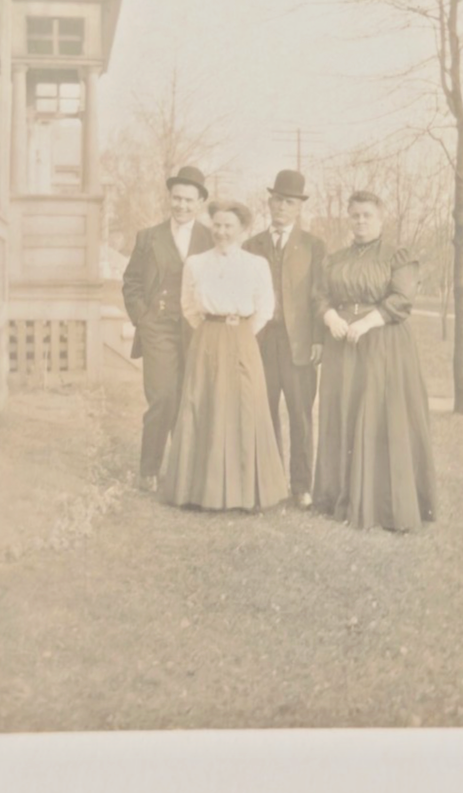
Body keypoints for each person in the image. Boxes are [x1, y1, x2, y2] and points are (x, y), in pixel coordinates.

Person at [313, 190, 436, 532]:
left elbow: (402, 299)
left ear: (381, 219)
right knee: (343, 413)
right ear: (348, 219)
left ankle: (381, 503)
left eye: (367, 215)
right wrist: (330, 318)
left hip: (382, 341)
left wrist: (367, 322)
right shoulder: (335, 258)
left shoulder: (398, 256)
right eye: (355, 215)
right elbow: (321, 294)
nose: (361, 221)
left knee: (379, 415)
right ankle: (338, 495)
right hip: (342, 344)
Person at [162, 199, 289, 512]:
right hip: (207, 337)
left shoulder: (255, 264)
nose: (221, 232)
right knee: (202, 403)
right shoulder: (196, 262)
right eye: (216, 225)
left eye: (228, 226)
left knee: (243, 405)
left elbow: (265, 309)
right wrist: (211, 329)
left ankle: (245, 492)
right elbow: (189, 305)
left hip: (242, 338)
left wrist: (240, 331)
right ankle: (199, 490)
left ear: (242, 229)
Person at [122, 166, 212, 490]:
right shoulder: (149, 237)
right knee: (162, 396)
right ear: (169, 198)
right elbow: (131, 282)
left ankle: (185, 471)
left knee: (190, 398)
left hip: (195, 329)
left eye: (189, 200)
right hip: (158, 326)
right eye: (177, 198)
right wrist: (142, 318)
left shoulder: (210, 239)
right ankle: (149, 469)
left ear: (200, 202)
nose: (182, 206)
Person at [244, 169, 325, 508]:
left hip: (300, 344)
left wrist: (319, 338)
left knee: (301, 414)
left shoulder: (313, 246)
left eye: (289, 202)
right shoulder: (252, 245)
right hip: (262, 341)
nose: (281, 207)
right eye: (277, 200)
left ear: (299, 208)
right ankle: (272, 481)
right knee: (265, 411)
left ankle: (302, 486)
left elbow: (321, 295)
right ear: (269, 202)